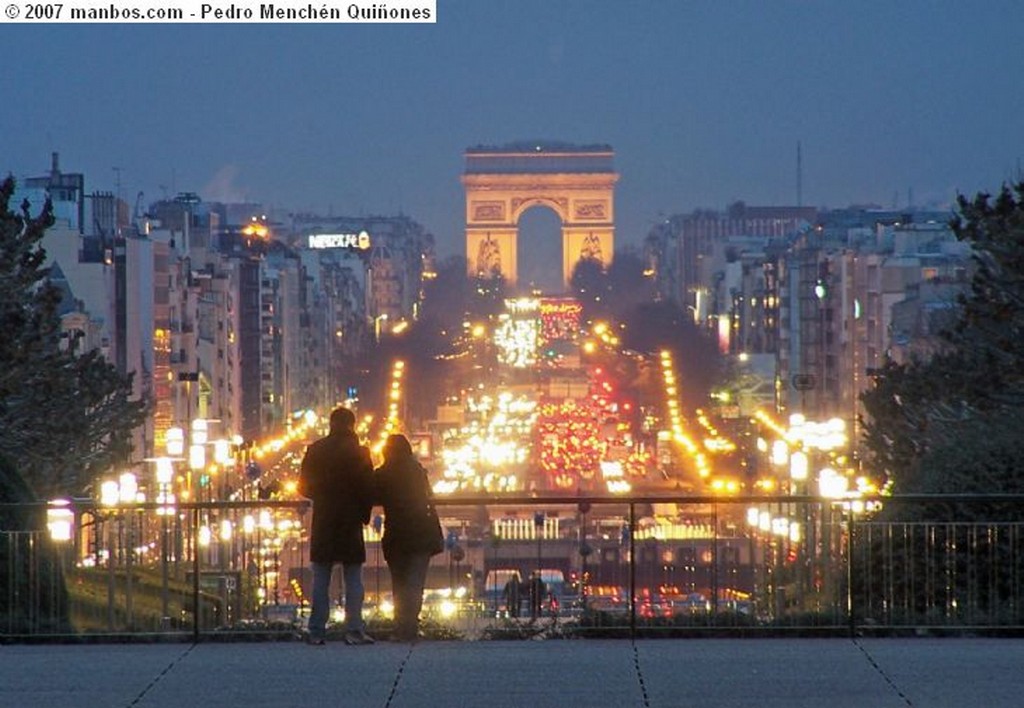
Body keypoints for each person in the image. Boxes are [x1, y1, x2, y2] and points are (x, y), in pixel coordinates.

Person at [298, 407, 375, 646]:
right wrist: (364, 515)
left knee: (321, 576)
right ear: (352, 425)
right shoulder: (360, 452)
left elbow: (302, 486)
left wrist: (321, 496)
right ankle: (354, 629)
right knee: (353, 577)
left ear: (331, 424)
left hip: (324, 519)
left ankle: (317, 630)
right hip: (350, 520)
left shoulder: (316, 450)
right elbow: (367, 488)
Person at [373, 434, 444, 642]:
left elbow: (373, 496)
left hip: (397, 533)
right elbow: (428, 497)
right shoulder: (417, 471)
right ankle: (410, 626)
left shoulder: (383, 473)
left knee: (399, 581)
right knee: (415, 582)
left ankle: (400, 626)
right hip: (421, 532)